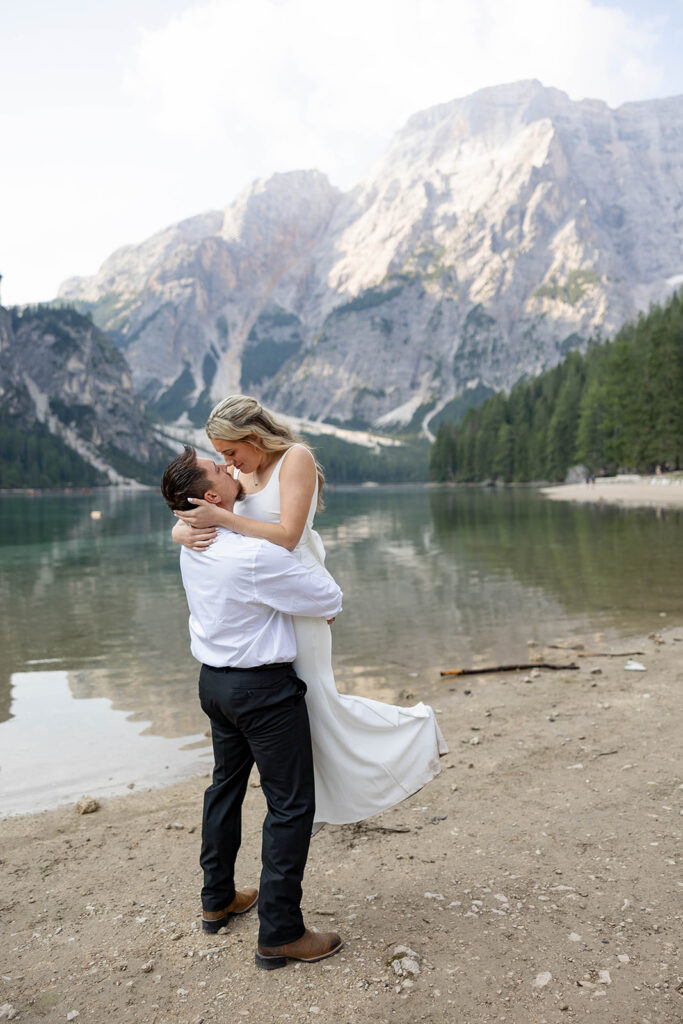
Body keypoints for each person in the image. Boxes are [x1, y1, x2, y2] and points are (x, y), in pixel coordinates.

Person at [172, 396, 447, 831]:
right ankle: (309, 802)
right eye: (221, 456)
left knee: (317, 701)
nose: (228, 463)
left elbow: (286, 536)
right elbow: (207, 508)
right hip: (269, 603)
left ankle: (409, 738)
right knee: (296, 715)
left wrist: (221, 522)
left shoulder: (294, 459)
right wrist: (180, 530)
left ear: (254, 438)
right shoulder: (242, 473)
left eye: (231, 451)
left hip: (299, 597)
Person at [161, 446, 344, 970]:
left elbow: (197, 536)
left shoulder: (192, 543)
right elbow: (328, 599)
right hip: (263, 693)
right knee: (289, 806)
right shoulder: (253, 554)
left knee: (225, 786)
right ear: (211, 497)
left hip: (214, 686)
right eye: (220, 468)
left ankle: (216, 899)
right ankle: (281, 932)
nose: (232, 467)